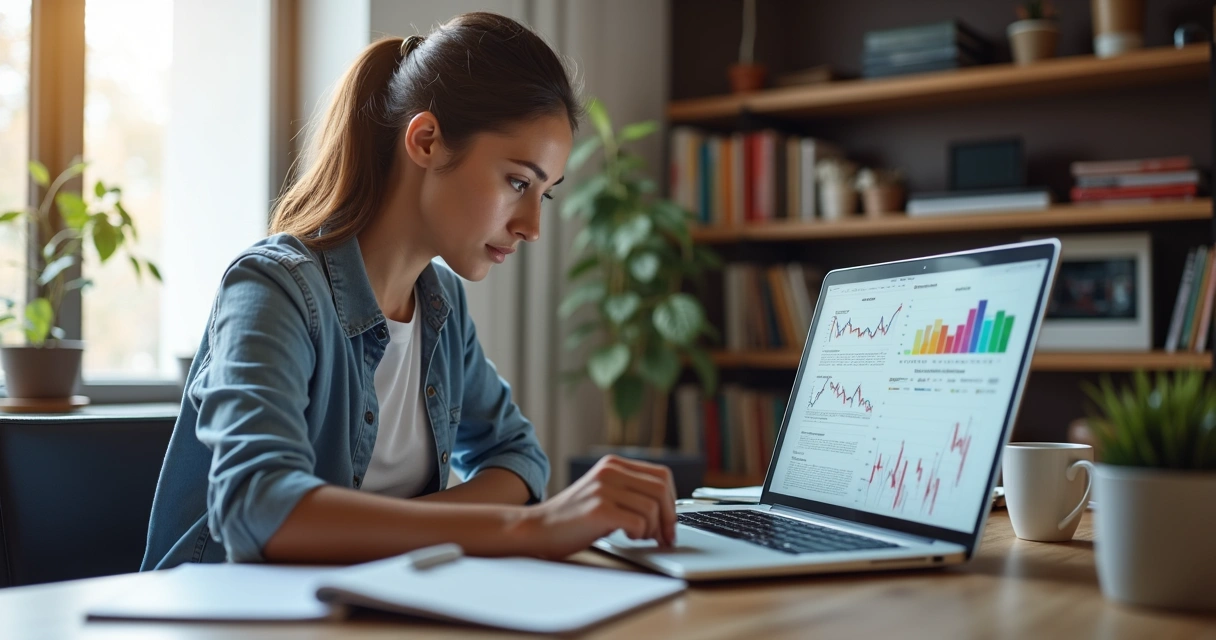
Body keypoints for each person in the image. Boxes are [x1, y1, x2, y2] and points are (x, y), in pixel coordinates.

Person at [142, 12, 675, 570]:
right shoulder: (273, 288)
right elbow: (259, 510)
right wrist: (526, 527)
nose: (530, 226)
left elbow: (518, 460)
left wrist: (459, 529)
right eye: (517, 181)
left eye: (542, 194)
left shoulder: (439, 303)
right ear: (426, 141)